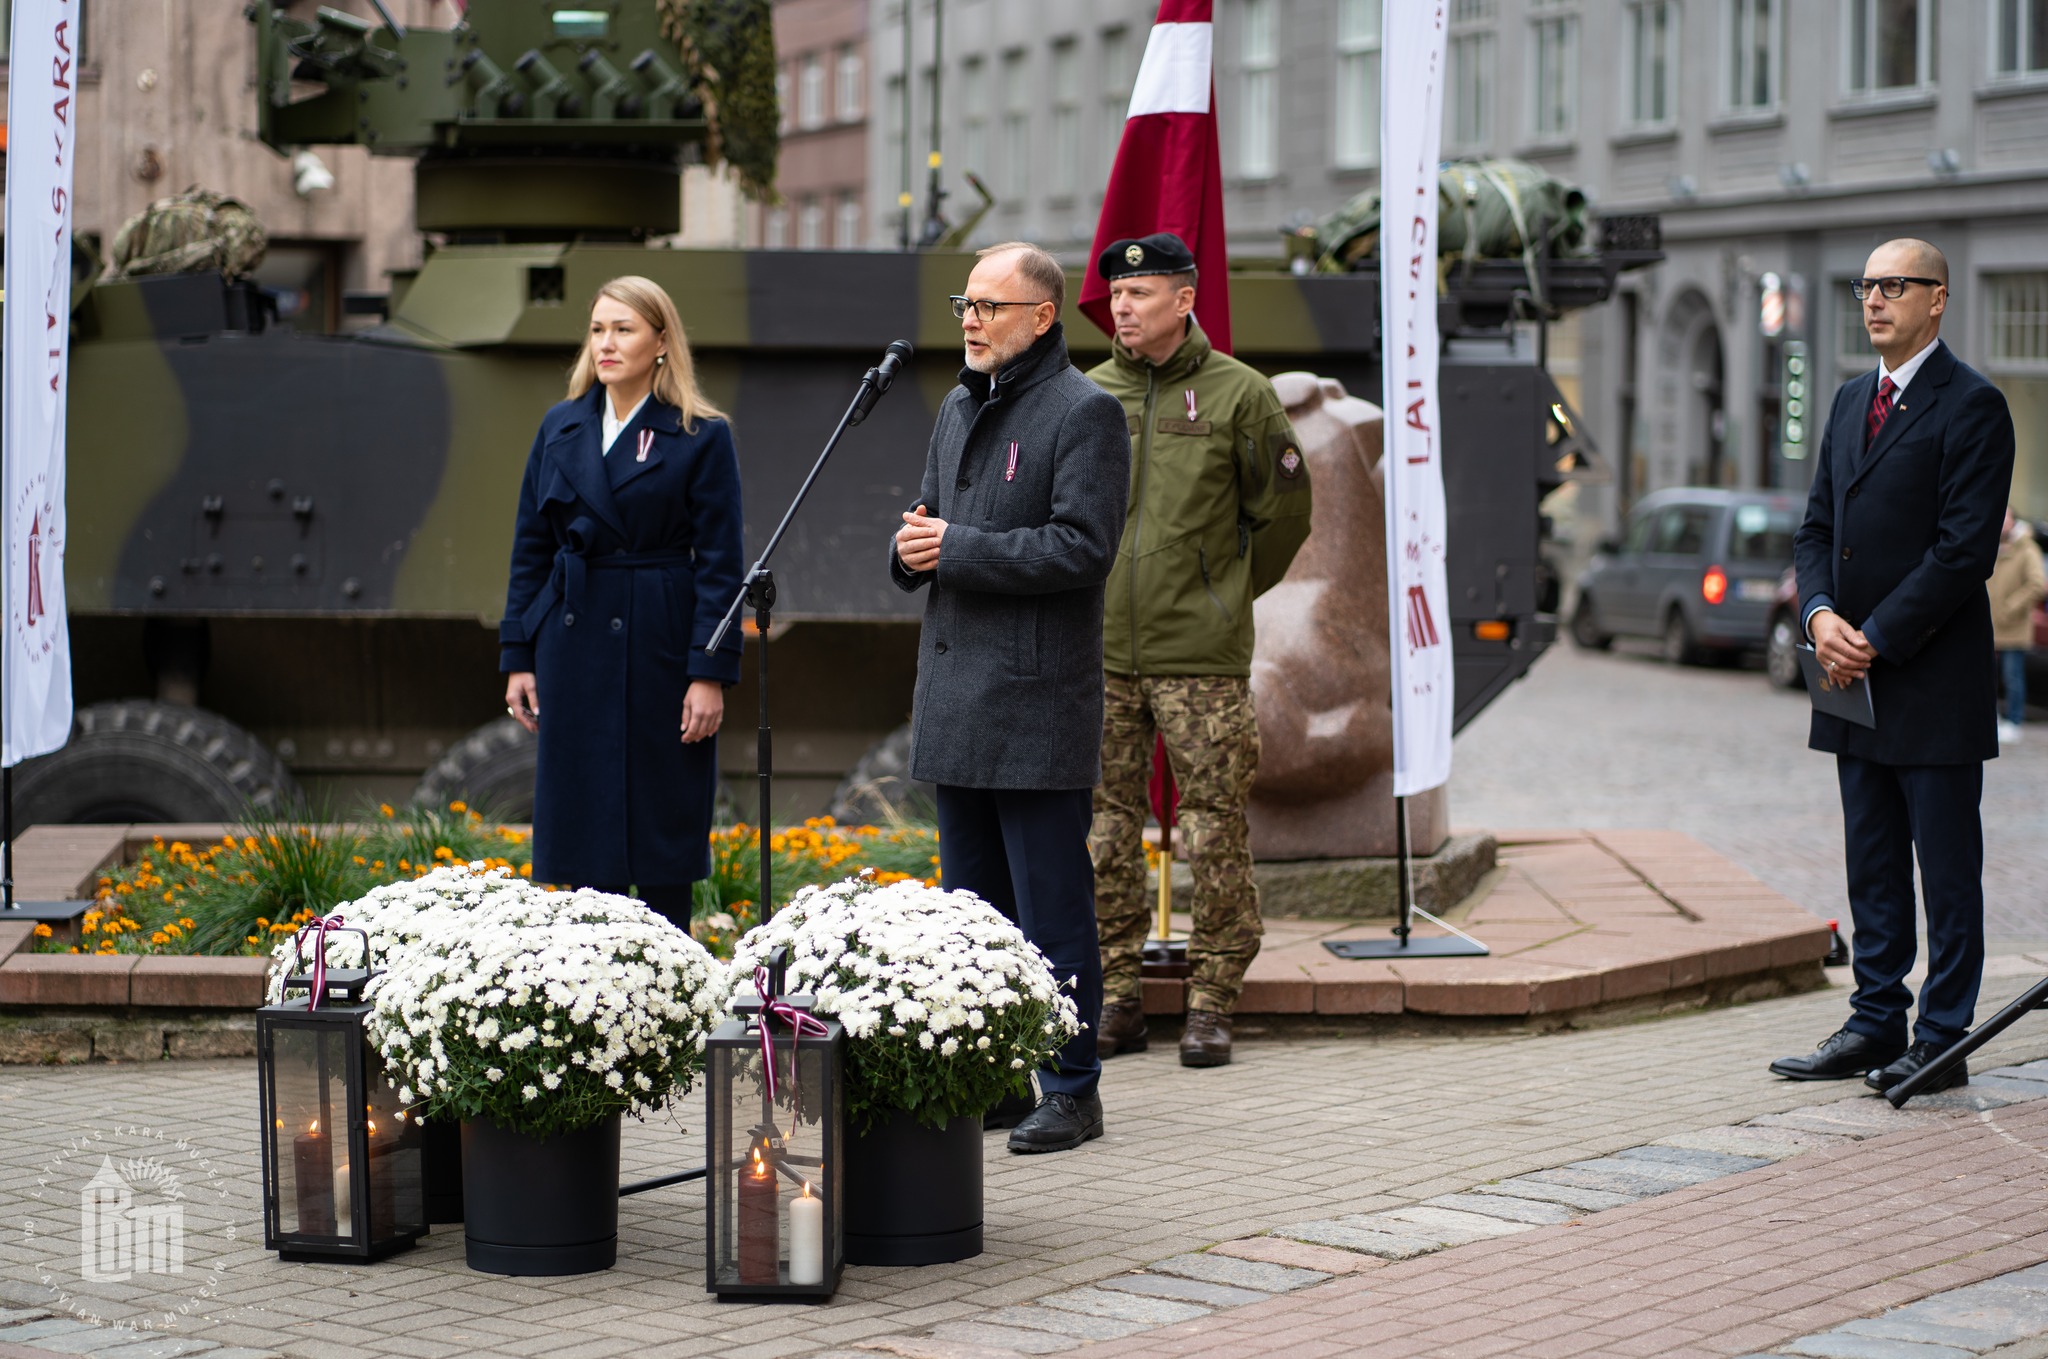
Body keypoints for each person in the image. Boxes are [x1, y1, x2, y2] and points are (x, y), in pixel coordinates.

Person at [890, 242, 1131, 1153]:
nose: (970, 319)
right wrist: (910, 550)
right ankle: (993, 1074)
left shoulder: (1085, 413)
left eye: (990, 305)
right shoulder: (957, 405)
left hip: (1035, 703)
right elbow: (929, 521)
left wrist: (955, 548)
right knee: (972, 914)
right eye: (966, 302)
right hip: (959, 697)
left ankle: (1071, 1086)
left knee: (1052, 910)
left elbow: (1083, 548)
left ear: (1041, 317)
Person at [1772, 239, 2016, 1093]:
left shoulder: (1974, 405)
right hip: (1849, 682)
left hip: (1930, 682)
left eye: (1894, 286)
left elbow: (1963, 554)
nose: (1874, 300)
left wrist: (1869, 633)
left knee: (1945, 872)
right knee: (1871, 861)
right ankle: (1877, 1019)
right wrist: (1819, 614)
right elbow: (1812, 531)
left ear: (1938, 298)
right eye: (1867, 285)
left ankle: (1942, 1035)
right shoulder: (1847, 401)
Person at [1082, 232, 1313, 1068]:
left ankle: (1213, 1000)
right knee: (1105, 831)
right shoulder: (1088, 397)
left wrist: (1224, 594)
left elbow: (1285, 514)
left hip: (1201, 659)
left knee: (1213, 830)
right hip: (1102, 652)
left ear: (1185, 299)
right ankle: (1116, 996)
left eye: (1141, 294)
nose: (1123, 307)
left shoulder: (1240, 397)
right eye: (1116, 294)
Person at [500, 275, 745, 924]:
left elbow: (722, 566)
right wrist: (518, 654)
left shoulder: (699, 433)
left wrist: (708, 672)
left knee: (661, 816)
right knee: (581, 824)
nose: (607, 343)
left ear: (661, 342)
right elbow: (530, 545)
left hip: (658, 639)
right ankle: (588, 987)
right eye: (599, 329)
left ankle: (668, 982)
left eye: (625, 329)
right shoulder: (561, 426)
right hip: (571, 639)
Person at [1989, 507, 2046, 744]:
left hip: (2013, 626)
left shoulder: (2027, 548)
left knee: (2013, 676)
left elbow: (2037, 585)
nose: (2003, 523)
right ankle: (1993, 719)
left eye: (2007, 518)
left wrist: (2011, 607)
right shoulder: (1989, 545)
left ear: (2014, 521)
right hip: (1990, 625)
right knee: (1987, 676)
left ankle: (2014, 721)